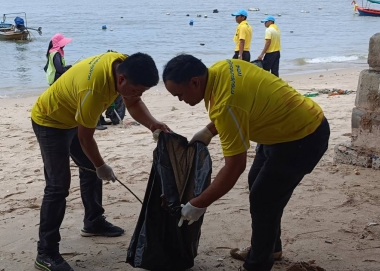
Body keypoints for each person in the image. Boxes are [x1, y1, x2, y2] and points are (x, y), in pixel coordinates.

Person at [161, 55, 329, 271]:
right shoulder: (222, 68)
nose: (180, 100)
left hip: (303, 137)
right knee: (259, 185)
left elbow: (234, 167)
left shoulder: (224, 105)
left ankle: (257, 265)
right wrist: (209, 131)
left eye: (180, 94)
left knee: (263, 198)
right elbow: (240, 103)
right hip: (282, 125)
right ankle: (271, 249)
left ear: (195, 82)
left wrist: (198, 203)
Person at [31, 51, 169, 271]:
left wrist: (153, 124)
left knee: (89, 170)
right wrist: (101, 166)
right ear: (121, 79)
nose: (137, 94)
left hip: (73, 117)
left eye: (141, 91)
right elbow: (85, 137)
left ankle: (93, 221)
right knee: (58, 187)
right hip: (50, 120)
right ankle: (45, 253)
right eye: (135, 90)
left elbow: (133, 103)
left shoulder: (122, 63)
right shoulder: (94, 88)